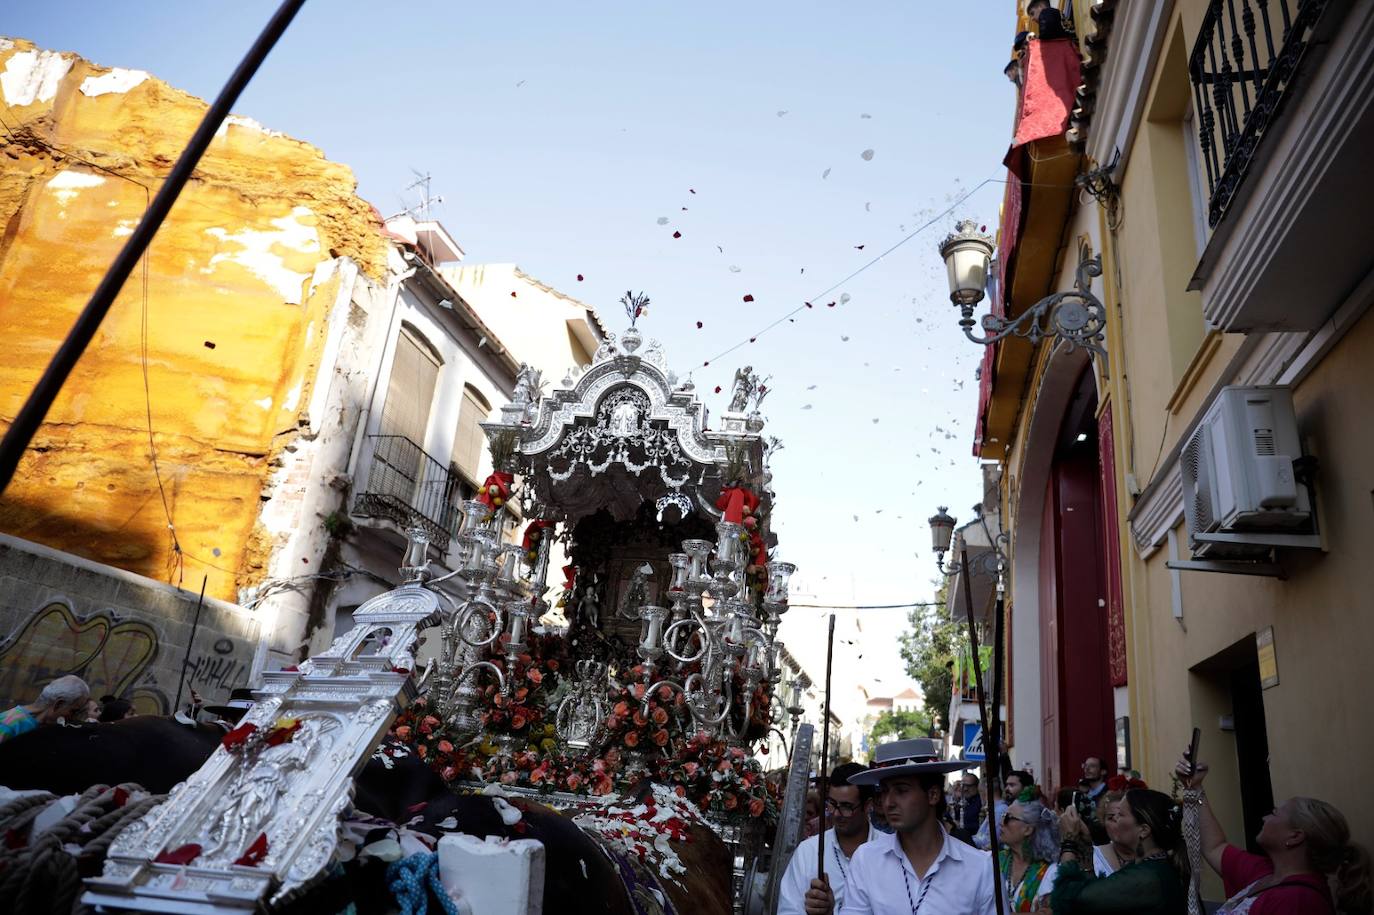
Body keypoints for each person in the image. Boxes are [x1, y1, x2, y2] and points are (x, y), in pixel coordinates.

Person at [803, 737, 996, 915]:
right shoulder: (866, 859)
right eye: (885, 791)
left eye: (901, 790)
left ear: (933, 795)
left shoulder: (980, 868)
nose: (888, 802)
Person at [1176, 751, 1372, 914]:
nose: (1265, 818)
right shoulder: (1265, 872)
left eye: (1275, 814)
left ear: (1295, 836)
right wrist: (1194, 787)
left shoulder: (1297, 902)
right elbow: (1214, 846)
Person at [1049, 788, 1187, 914]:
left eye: (1120, 814)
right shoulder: (1151, 866)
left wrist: (1068, 841)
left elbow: (1069, 902)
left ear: (1143, 830)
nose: (1115, 819)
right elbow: (1094, 898)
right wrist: (1085, 846)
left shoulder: (1149, 877)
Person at [779, 763, 876, 915]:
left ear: (868, 806)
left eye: (846, 806)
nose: (836, 814)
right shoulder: (808, 852)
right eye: (831, 804)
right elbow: (788, 910)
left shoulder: (889, 852)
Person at [1000, 793, 1060, 911]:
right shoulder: (992, 861)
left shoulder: (1051, 873)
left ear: (1027, 829)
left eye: (1008, 818)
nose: (1001, 822)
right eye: (1003, 816)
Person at [0, 675, 92, 743]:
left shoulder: (43, 725)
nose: (73, 717)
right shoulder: (8, 725)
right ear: (59, 704)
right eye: (73, 711)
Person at [975, 769, 1033, 850]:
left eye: (1012, 785)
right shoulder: (1007, 807)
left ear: (1025, 788)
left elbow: (992, 842)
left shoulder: (1030, 810)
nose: (1006, 789)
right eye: (1006, 785)